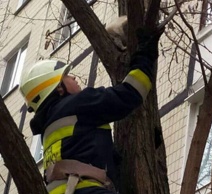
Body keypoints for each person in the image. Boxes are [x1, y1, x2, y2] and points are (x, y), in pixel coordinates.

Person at [20, 27, 164, 194]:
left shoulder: (49, 131)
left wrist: (145, 142)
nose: (73, 77)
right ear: (59, 88)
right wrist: (146, 54)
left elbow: (101, 158)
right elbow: (130, 93)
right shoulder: (78, 103)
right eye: (67, 76)